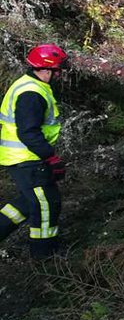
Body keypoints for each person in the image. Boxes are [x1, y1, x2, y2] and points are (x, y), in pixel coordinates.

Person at [0, 43, 70, 259]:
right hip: (28, 159)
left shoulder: (29, 85)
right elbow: (28, 132)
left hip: (22, 158)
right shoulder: (31, 93)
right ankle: (45, 256)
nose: (58, 76)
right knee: (47, 204)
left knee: (27, 202)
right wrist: (51, 157)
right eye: (57, 71)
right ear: (47, 70)